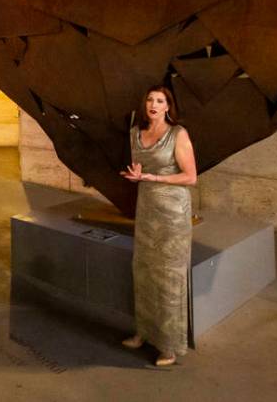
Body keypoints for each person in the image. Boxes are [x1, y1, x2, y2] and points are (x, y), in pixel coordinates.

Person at [119, 84, 198, 367]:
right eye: (150, 99)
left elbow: (190, 177)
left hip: (173, 213)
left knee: (168, 277)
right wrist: (138, 175)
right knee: (143, 271)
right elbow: (140, 169)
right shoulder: (135, 134)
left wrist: (154, 179)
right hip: (147, 209)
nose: (154, 104)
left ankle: (169, 346)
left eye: (160, 100)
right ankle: (144, 332)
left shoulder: (178, 134)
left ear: (168, 106)